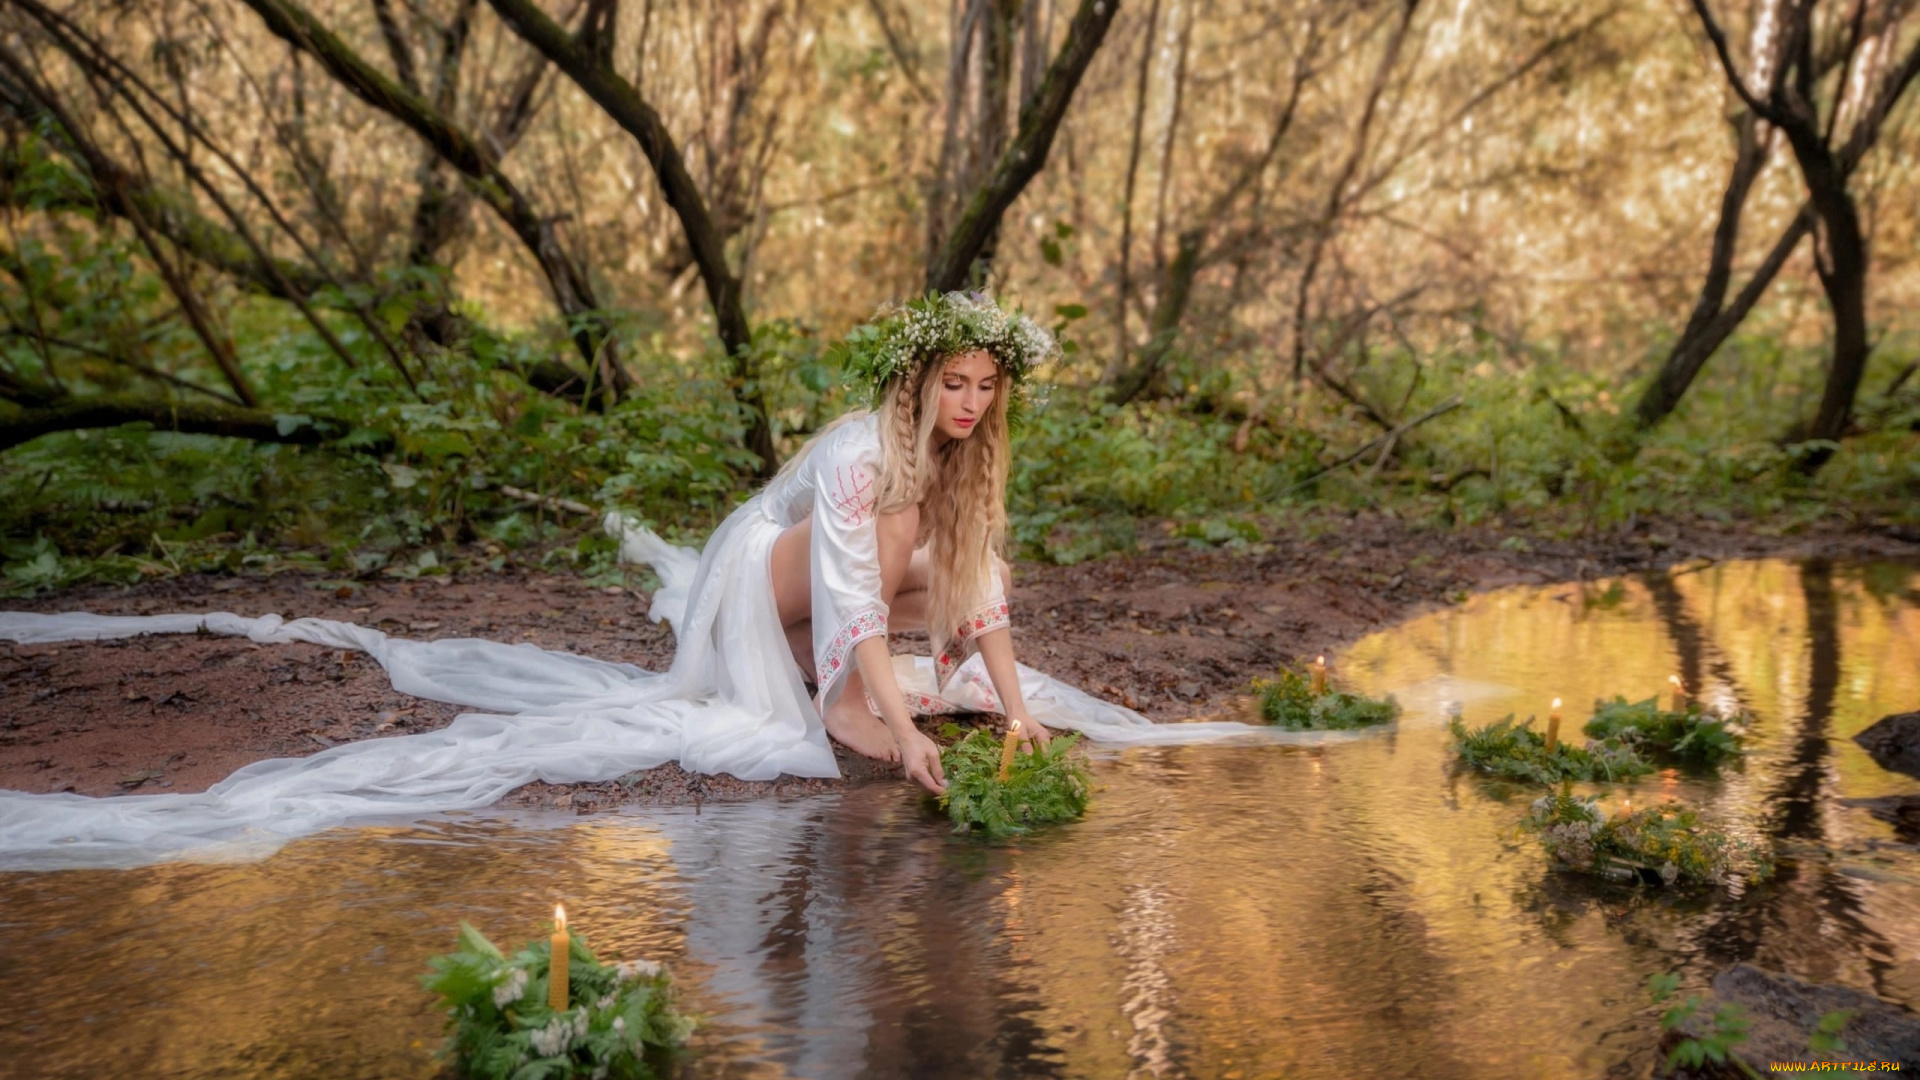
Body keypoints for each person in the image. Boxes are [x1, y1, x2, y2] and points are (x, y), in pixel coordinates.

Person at [713, 292, 1052, 794]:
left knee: (993, 574)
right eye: (954, 385)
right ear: (918, 384)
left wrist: (1017, 714)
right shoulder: (860, 454)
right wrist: (905, 731)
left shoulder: (960, 450)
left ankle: (805, 646)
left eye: (986, 387)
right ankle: (845, 700)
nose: (972, 404)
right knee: (898, 518)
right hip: (750, 585)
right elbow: (852, 590)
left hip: (816, 589)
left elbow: (975, 579)